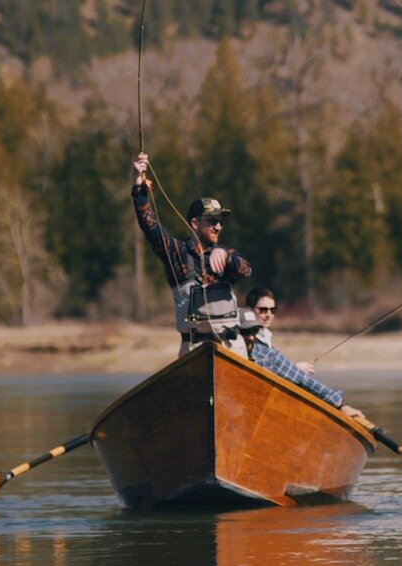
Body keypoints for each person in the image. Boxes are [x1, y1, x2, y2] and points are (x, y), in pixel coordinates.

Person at [131, 152, 252, 357]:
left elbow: (245, 269)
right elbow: (149, 225)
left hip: (233, 350)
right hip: (194, 350)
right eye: (213, 221)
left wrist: (226, 256)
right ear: (195, 223)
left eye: (221, 221)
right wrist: (138, 186)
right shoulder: (176, 253)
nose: (219, 226)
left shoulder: (228, 256)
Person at [237, 308, 365, 421]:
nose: (251, 337)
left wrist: (341, 405)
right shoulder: (220, 352)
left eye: (254, 331)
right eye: (245, 332)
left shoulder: (269, 356)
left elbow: (304, 380)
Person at [243, 285, 314, 374]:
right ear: (249, 310)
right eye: (263, 310)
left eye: (272, 310)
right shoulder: (246, 339)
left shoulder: (266, 336)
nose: (269, 315)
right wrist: (296, 369)